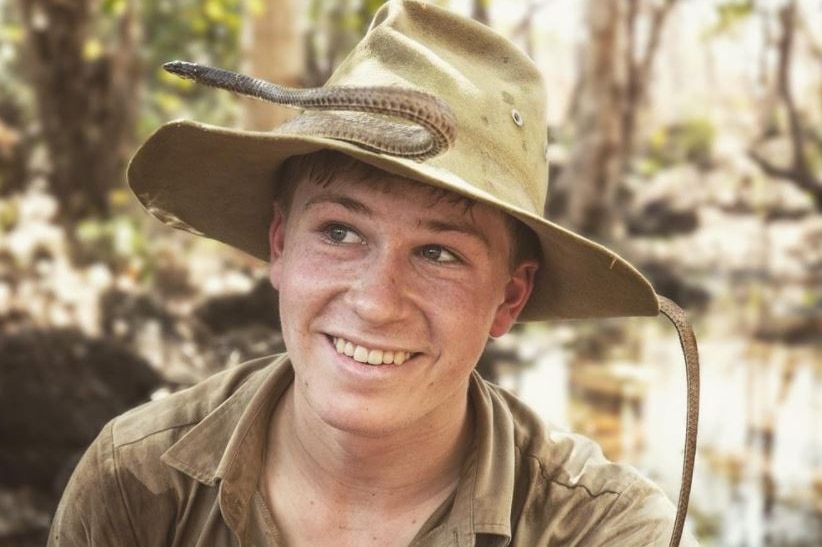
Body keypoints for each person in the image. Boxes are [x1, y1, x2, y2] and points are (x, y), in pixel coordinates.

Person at [48, 1, 700, 545]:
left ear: (510, 296)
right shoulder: (134, 484)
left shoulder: (603, 528)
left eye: (439, 252)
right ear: (280, 242)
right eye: (340, 232)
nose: (377, 301)